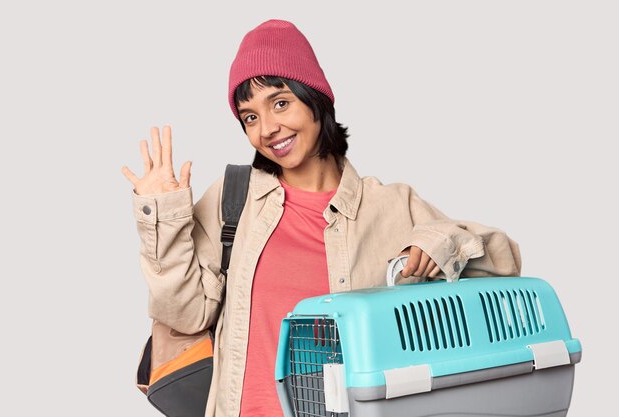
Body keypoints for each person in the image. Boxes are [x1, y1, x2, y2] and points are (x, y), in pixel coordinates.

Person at [121, 19, 521, 417]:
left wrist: (437, 245)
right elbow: (186, 315)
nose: (268, 129)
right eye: (250, 117)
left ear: (315, 98)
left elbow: (504, 264)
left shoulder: (392, 205)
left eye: (280, 103)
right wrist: (165, 217)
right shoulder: (232, 197)